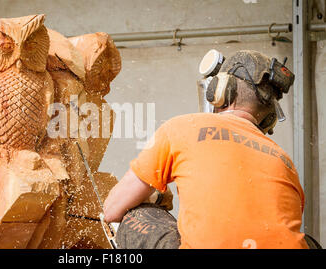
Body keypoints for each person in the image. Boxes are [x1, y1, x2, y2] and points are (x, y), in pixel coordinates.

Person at [103, 50, 311, 249]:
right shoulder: (284, 160)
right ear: (269, 117)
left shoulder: (182, 127)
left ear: (219, 91)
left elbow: (112, 209)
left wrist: (151, 198)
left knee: (135, 213)